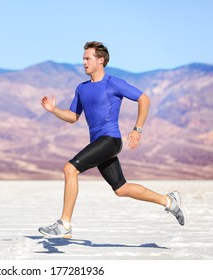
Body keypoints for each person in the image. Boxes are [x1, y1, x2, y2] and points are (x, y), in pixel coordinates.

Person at [38, 41, 185, 238]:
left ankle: (65, 224)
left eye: (87, 58)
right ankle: (168, 201)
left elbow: (144, 99)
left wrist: (137, 130)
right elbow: (73, 117)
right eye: (83, 58)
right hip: (99, 143)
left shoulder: (113, 83)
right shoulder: (81, 89)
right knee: (121, 189)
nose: (84, 62)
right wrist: (54, 110)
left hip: (110, 140)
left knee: (69, 169)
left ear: (101, 60)